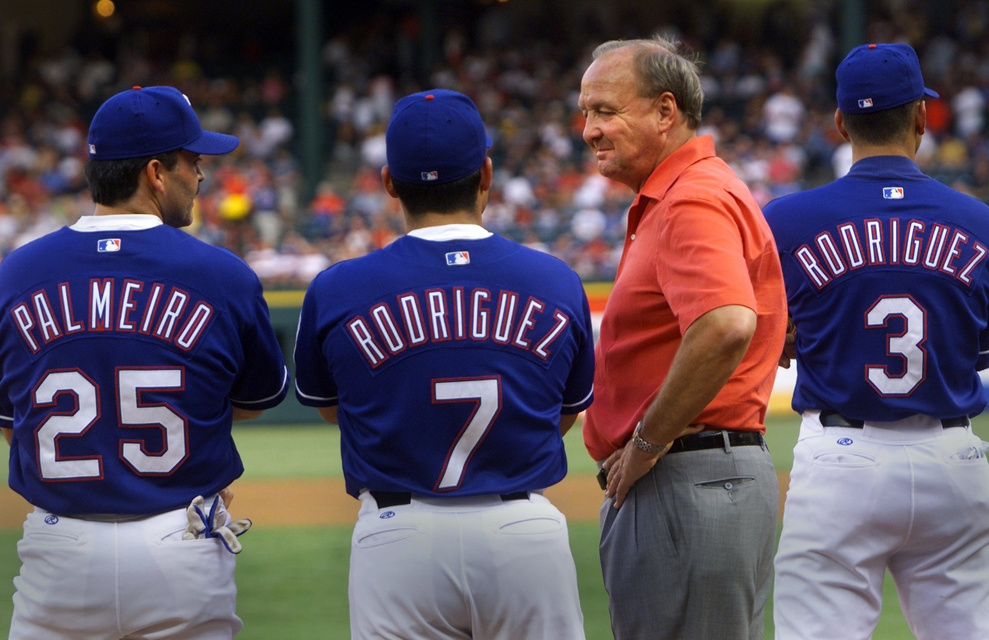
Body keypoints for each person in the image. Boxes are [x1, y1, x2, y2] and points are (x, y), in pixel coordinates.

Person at [293, 88, 594, 639]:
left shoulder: (337, 289)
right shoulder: (556, 281)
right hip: (522, 527)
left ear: (388, 182)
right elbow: (564, 412)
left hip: (396, 532)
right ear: (486, 173)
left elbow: (336, 410)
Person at [0, 85, 290, 640]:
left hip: (58, 548)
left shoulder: (15, 275)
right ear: (156, 173)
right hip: (178, 540)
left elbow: (14, 421)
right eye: (194, 160)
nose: (201, 175)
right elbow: (252, 403)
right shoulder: (222, 275)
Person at [764, 43, 989, 640]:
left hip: (840, 458)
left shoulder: (786, 220)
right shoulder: (982, 224)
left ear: (841, 123)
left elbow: (761, 336)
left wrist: (790, 335)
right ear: (922, 119)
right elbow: (974, 353)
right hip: (952, 460)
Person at [578, 37, 788, 639]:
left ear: (665, 112)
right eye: (586, 112)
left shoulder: (691, 196)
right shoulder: (685, 192)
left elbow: (725, 324)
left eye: (605, 110)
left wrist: (645, 442)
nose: (589, 129)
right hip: (699, 476)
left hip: (688, 475)